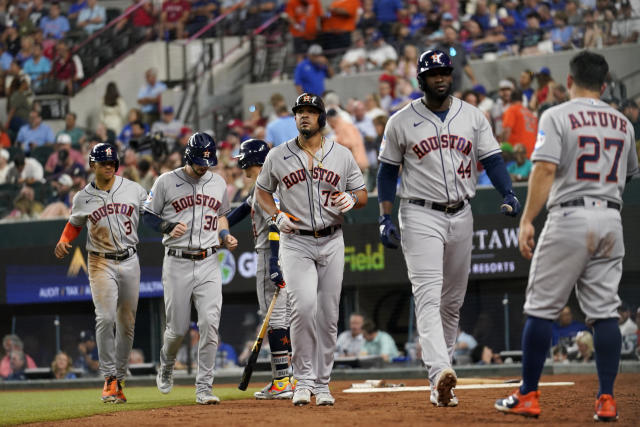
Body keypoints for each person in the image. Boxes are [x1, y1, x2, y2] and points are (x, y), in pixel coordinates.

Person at [495, 51, 639, 422]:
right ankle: (606, 398)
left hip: (570, 214)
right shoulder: (623, 122)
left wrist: (527, 219)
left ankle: (527, 395)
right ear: (605, 86)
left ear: (570, 81)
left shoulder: (556, 113)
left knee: (540, 308)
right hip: (611, 217)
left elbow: (544, 168)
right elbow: (631, 174)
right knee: (605, 312)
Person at [377, 49, 520, 408]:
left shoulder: (471, 115)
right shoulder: (400, 120)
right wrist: (384, 215)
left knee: (452, 302)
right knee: (428, 293)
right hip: (420, 213)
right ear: (421, 79)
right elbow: (387, 171)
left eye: (444, 72)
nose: (440, 78)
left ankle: (443, 384)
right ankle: (440, 371)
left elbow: (492, 159)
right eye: (433, 73)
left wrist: (508, 192)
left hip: (462, 212)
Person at [255, 93, 367, 406]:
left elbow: (361, 193)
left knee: (329, 316)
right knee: (303, 309)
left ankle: (322, 384)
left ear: (321, 117)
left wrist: (352, 199)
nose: (304, 116)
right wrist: (276, 214)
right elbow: (262, 191)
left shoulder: (341, 154)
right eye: (299, 112)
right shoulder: (278, 155)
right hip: (296, 240)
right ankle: (303, 381)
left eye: (309, 111)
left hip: (332, 239)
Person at [143, 132, 238, 405]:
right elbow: (147, 215)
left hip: (209, 260)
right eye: (199, 161)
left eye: (207, 161)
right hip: (177, 260)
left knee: (210, 324)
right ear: (188, 157)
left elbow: (221, 216)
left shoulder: (218, 182)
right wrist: (167, 226)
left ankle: (204, 388)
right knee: (178, 328)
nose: (203, 166)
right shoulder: (166, 181)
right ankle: (167, 363)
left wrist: (224, 236)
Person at [54, 144, 147, 403]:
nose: (109, 166)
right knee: (105, 318)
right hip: (100, 261)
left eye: (112, 162)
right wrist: (64, 240)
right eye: (104, 162)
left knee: (127, 324)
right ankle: (108, 377)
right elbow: (74, 225)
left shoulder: (133, 189)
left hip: (130, 259)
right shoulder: (82, 197)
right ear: (92, 165)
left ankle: (119, 376)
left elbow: (152, 214)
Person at [226, 139, 294, 400]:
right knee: (284, 318)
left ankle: (281, 381)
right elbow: (243, 209)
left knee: (275, 319)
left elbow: (275, 226)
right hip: (286, 254)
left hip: (270, 254)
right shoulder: (267, 184)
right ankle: (288, 377)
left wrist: (274, 263)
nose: (240, 165)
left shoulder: (265, 187)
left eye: (242, 160)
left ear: (250, 161)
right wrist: (219, 227)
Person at [501, 89, 538, 158]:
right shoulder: (531, 114)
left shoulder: (512, 110)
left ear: (510, 100)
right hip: (531, 153)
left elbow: (506, 131)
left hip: (517, 153)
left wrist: (502, 146)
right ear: (522, 100)